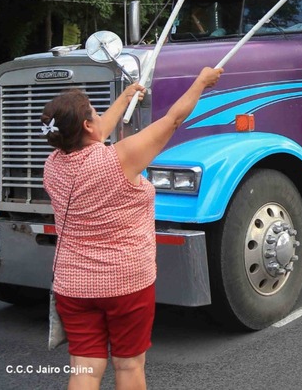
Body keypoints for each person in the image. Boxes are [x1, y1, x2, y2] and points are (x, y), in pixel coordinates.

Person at [41, 66, 223, 390]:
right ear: (87, 125)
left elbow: (93, 136)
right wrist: (201, 82)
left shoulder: (53, 164)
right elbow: (173, 120)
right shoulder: (119, 160)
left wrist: (125, 98)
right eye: (94, 113)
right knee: (128, 365)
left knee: (85, 369)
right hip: (125, 282)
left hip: (73, 285)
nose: (99, 118)